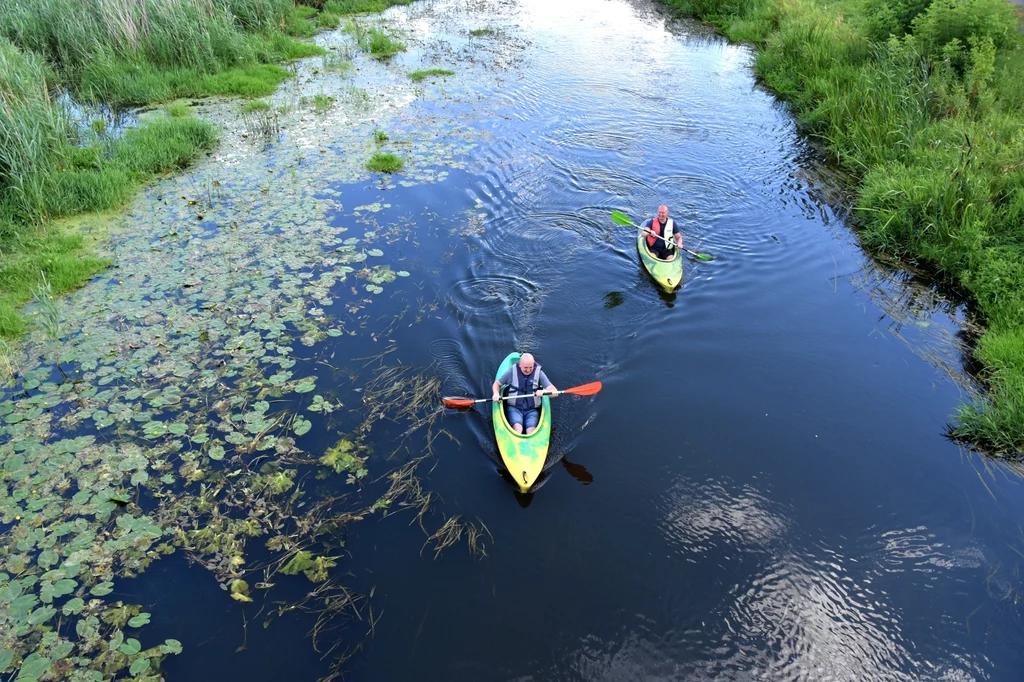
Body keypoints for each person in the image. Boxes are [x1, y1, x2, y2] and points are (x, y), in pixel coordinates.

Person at [491, 353, 557, 435]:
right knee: (518, 429)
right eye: (526, 367)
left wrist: (544, 392)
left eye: (531, 367)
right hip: (515, 408)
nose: (528, 370)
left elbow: (555, 392)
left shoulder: (539, 373)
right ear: (520, 365)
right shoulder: (512, 371)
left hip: (532, 410)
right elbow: (497, 384)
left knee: (531, 431)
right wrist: (496, 394)